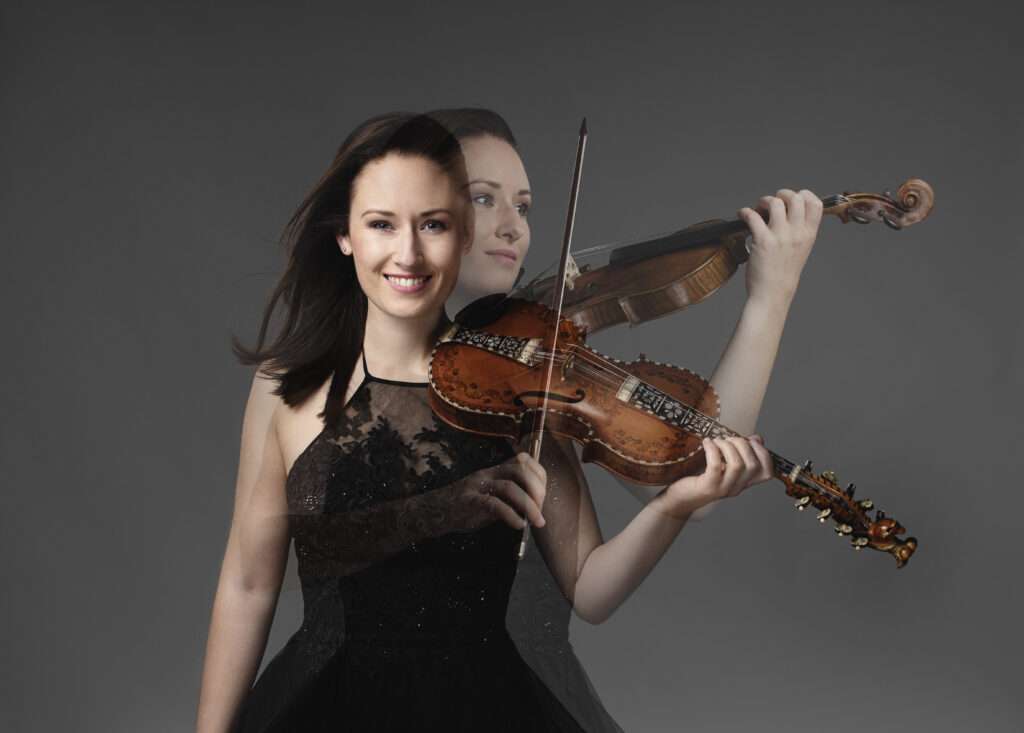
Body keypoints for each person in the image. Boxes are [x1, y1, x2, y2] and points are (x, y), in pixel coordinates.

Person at [195, 111, 776, 733]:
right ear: (345, 235)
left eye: (434, 225)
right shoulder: (286, 388)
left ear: (458, 236)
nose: (407, 253)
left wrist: (674, 506)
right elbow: (249, 584)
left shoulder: (516, 389)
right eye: (381, 224)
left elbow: (591, 587)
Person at [427, 107, 824, 731]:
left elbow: (677, 475)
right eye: (483, 198)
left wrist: (771, 298)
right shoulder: (341, 384)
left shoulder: (522, 388)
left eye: (524, 207)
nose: (513, 227)